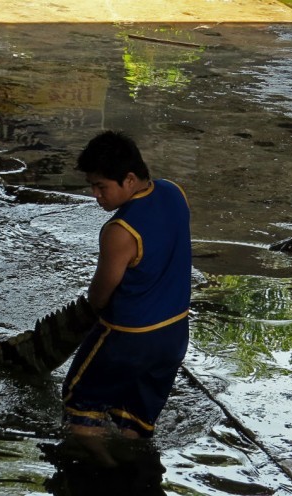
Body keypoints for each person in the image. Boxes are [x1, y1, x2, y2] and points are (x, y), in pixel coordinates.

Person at [61, 130, 191, 461]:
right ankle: (136, 472)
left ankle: (106, 470)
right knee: (135, 421)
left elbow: (101, 292)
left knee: (80, 407)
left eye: (101, 186)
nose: (95, 196)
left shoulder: (120, 230)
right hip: (174, 335)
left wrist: (88, 315)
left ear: (129, 179)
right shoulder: (174, 193)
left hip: (128, 337)